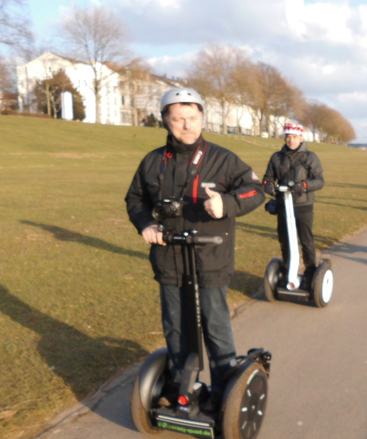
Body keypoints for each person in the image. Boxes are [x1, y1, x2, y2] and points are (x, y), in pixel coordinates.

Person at [125, 87, 265, 407]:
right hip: (169, 256)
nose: (186, 125)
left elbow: (256, 190)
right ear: (165, 121)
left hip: (210, 255)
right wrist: (146, 224)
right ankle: (179, 388)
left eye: (192, 117)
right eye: (178, 119)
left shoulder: (223, 159)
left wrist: (227, 203)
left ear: (202, 117)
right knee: (175, 325)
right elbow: (135, 199)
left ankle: (222, 390)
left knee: (214, 325)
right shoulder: (153, 162)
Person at [262, 122, 325, 290]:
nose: (290, 140)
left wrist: (304, 185)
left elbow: (319, 181)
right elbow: (268, 176)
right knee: (285, 240)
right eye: (288, 137)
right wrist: (267, 184)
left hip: (303, 205)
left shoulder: (310, 157)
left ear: (301, 138)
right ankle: (287, 270)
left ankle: (310, 273)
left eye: (294, 137)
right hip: (284, 204)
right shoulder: (277, 157)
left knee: (306, 241)